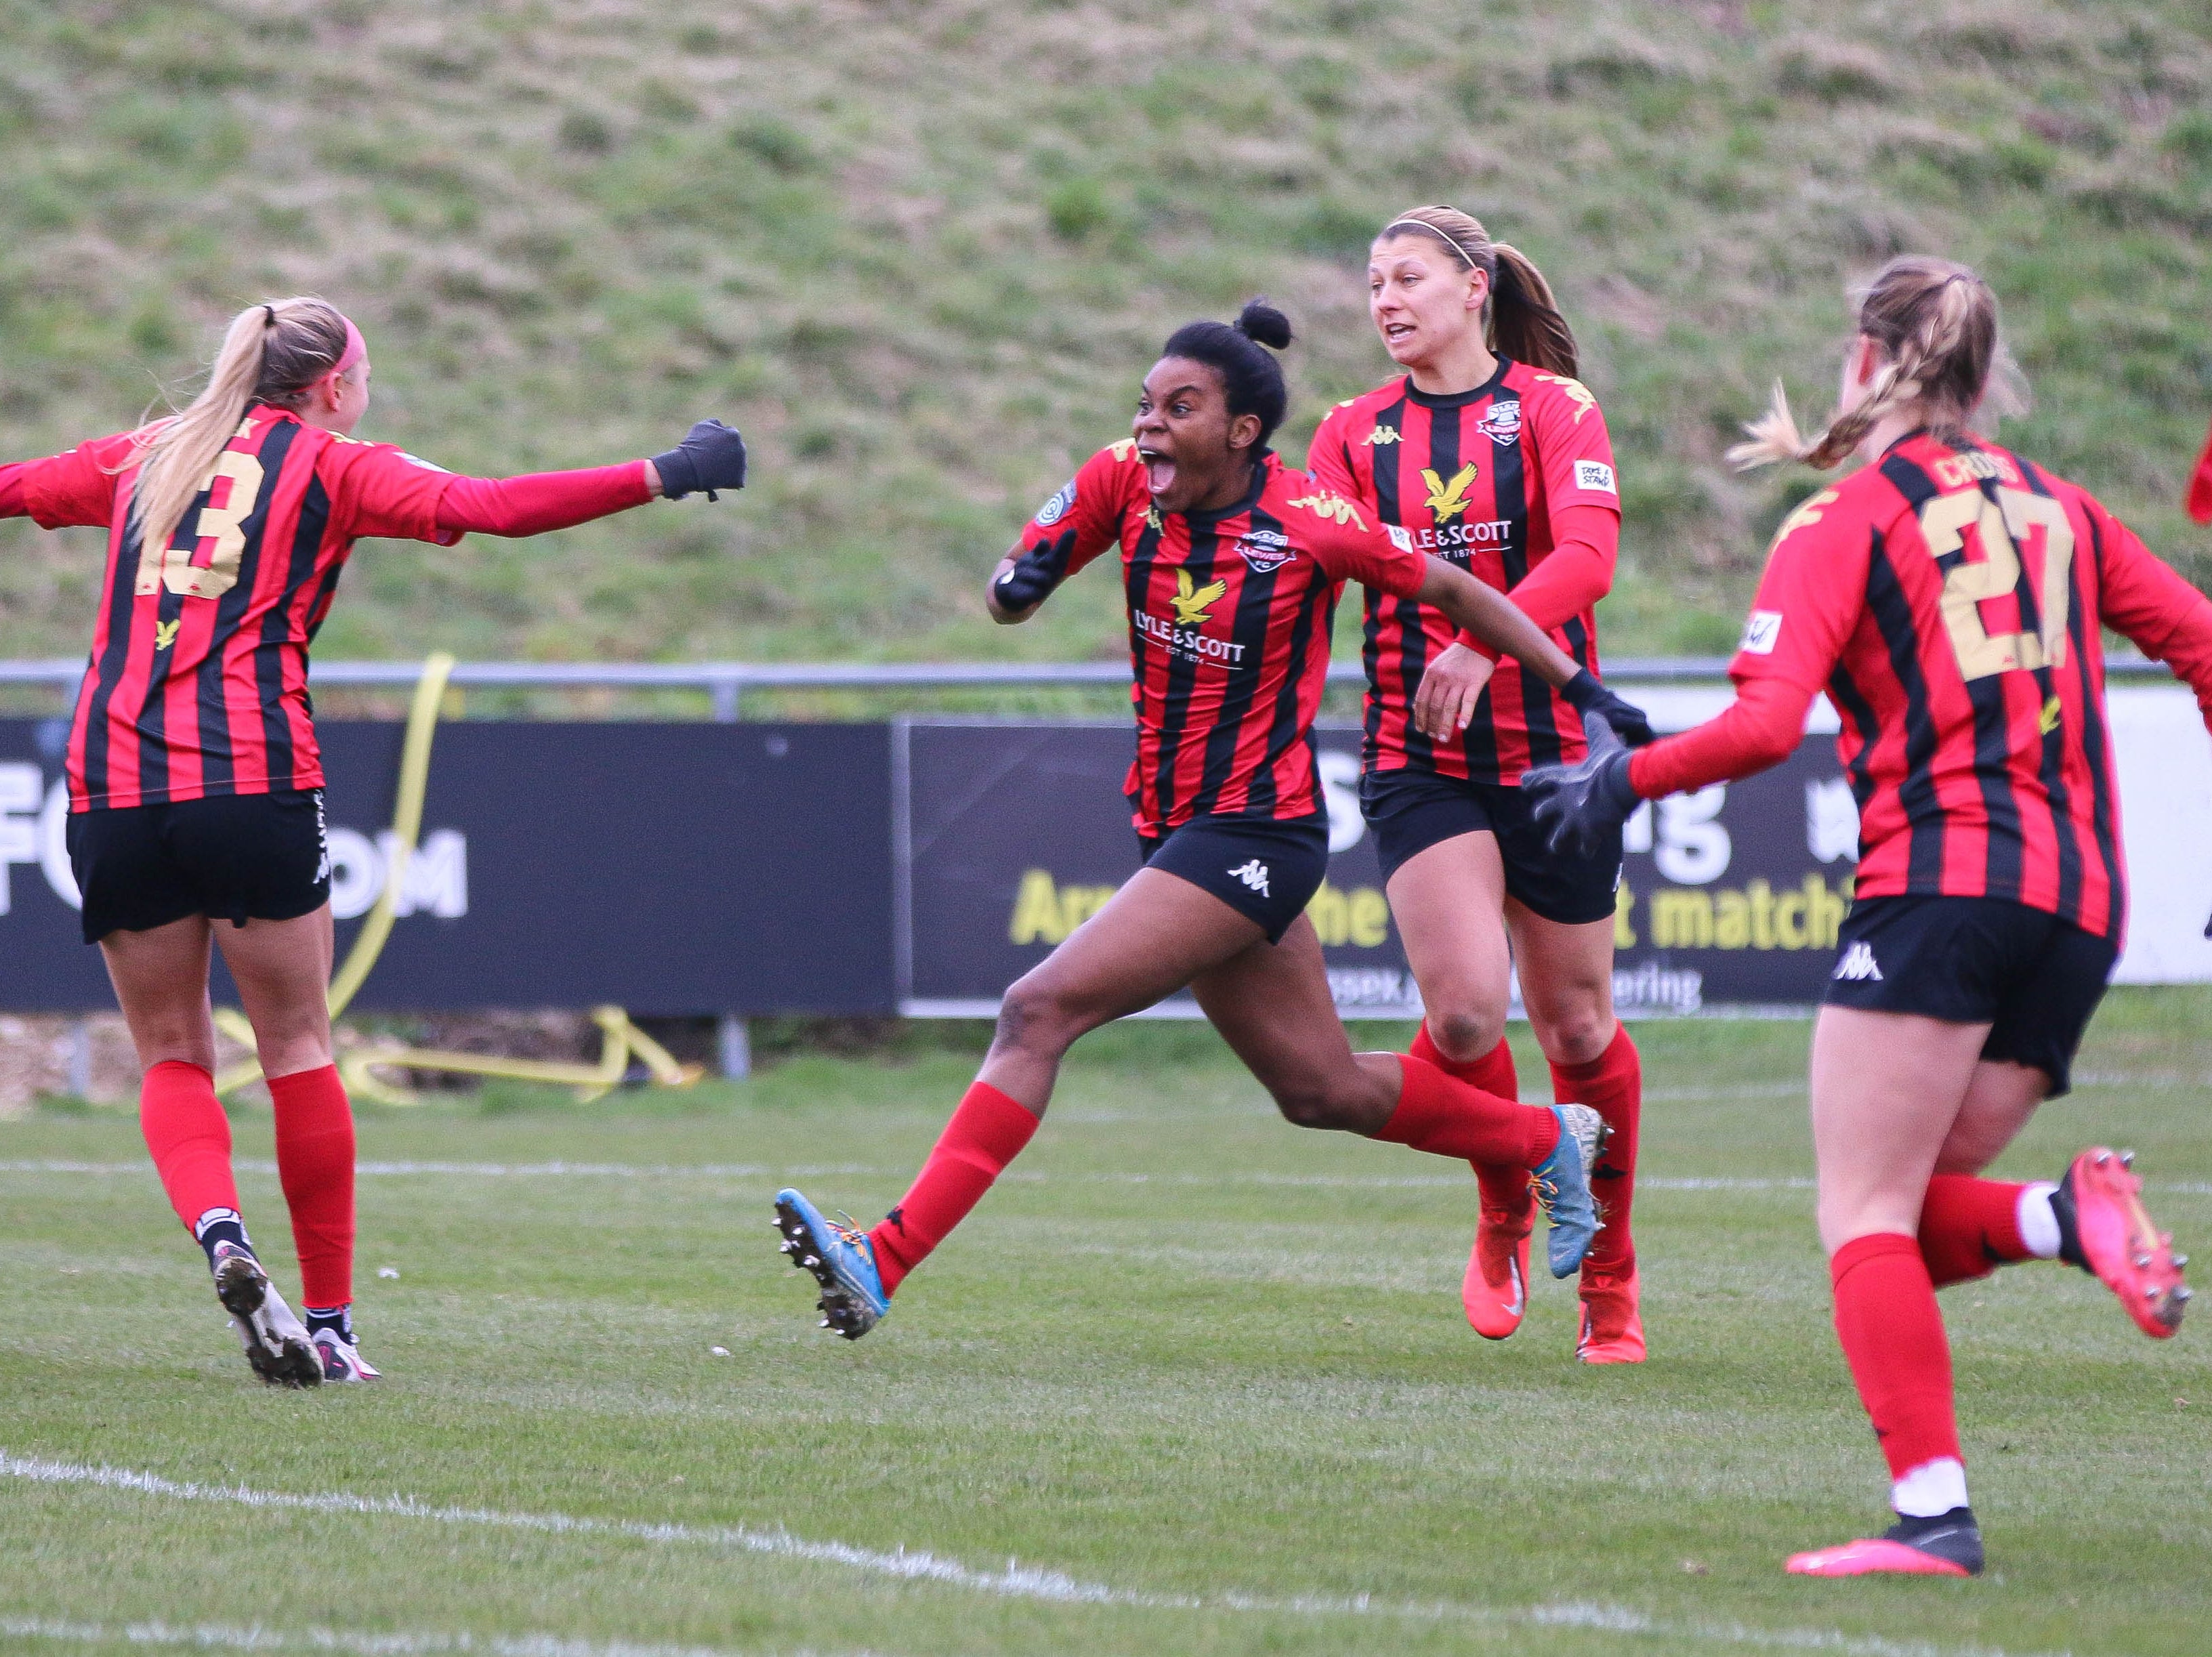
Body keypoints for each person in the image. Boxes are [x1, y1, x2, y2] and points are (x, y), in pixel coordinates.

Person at [773, 300, 1652, 1339]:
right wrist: (1024, 576)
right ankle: (1539, 1136)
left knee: (1036, 1009)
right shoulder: (1121, 480)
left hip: (1256, 835)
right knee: (1319, 1088)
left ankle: (885, 1254)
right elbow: (1017, 586)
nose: (1147, 426)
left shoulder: (1311, 518)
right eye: (1144, 405)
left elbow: (1456, 589)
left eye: (1177, 408)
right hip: (1174, 826)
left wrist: (1584, 693)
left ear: (1241, 431)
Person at [1521, 256, 2200, 1576]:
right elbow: (2205, 641)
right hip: (2079, 903)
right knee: (1911, 1202)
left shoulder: (1849, 515)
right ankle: (2069, 1219)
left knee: (1866, 1215)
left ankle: (1933, 1517)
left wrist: (1618, 779)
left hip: (1944, 883)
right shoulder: (2060, 505)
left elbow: (1767, 723)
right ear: (1978, 371)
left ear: (1865, 360)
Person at [0, 296, 748, 1386]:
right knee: (298, 1045)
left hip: (111, 784)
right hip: (249, 775)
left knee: (171, 1054)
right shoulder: (331, 463)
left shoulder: (141, 455)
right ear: (332, 387)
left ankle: (221, 1234)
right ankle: (334, 1326)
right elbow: (491, 507)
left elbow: (14, 488)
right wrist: (665, 471)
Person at [1306, 207, 1649, 1362]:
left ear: (1472, 287)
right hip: (1419, 756)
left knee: (1576, 1019)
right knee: (1459, 1011)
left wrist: (1483, 639)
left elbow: (1587, 560)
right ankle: (1505, 1194)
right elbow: (1300, 568)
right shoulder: (1351, 433)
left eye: (1406, 278)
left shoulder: (1555, 409)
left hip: (1554, 755)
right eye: (1370, 284)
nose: (1384, 300)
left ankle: (1610, 1279)